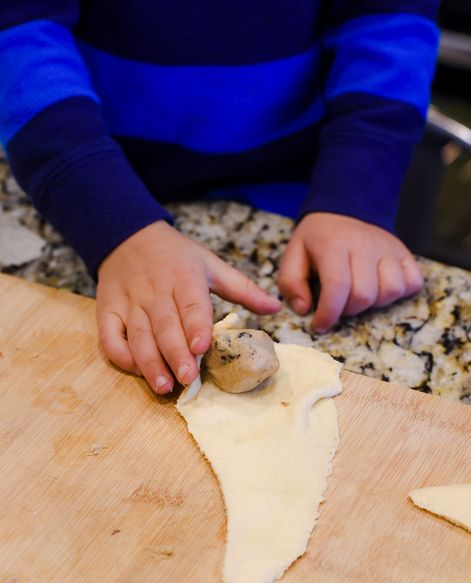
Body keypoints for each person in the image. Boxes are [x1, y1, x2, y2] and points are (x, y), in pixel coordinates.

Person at [0, 1, 440, 394]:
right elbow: (17, 34)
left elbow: (390, 24)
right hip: (97, 180)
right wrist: (116, 225)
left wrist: (354, 194)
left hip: (302, 187)